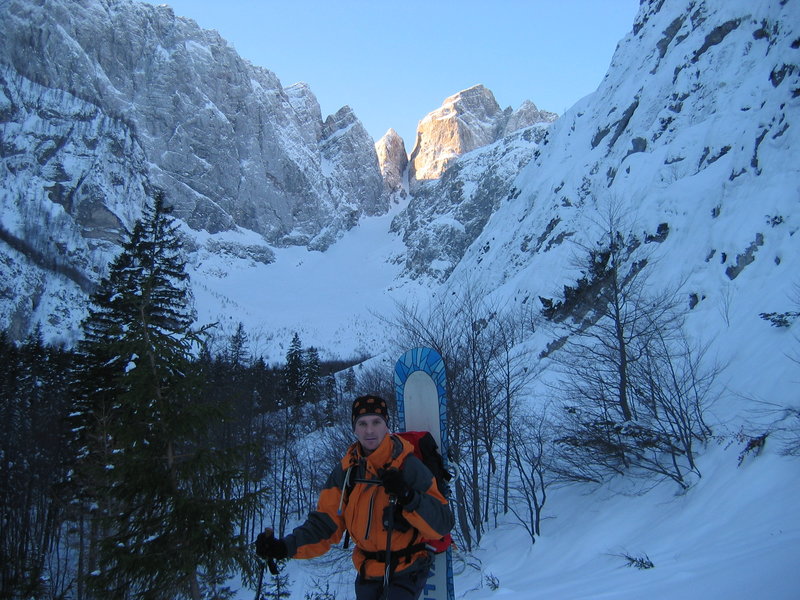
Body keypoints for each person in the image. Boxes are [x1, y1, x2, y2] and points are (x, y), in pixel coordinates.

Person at [255, 394, 454, 600]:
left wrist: (408, 495)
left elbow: (442, 524)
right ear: (354, 428)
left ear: (386, 425)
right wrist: (284, 547)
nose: (369, 430)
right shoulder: (347, 470)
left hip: (407, 570)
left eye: (376, 422)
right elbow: (325, 525)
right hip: (367, 571)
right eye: (362, 423)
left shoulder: (408, 465)